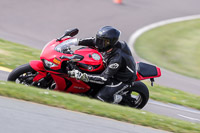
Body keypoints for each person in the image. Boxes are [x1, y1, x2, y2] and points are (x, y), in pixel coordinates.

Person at [69, 26, 137, 104]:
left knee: (100, 98)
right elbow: (92, 41)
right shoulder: (106, 45)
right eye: (99, 39)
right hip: (110, 69)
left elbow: (103, 78)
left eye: (102, 41)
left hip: (120, 79)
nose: (98, 43)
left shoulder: (116, 59)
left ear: (111, 42)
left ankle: (121, 100)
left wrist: (82, 76)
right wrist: (74, 42)